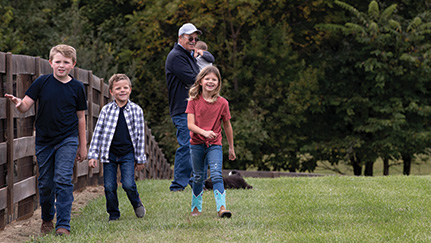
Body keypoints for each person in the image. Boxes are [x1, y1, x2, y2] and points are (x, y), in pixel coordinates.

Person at [4, 44, 87, 236]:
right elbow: (25, 105)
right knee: (46, 183)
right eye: (57, 61)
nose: (61, 65)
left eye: (66, 62)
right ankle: (47, 219)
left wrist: (83, 146)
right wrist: (18, 103)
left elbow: (81, 117)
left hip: (68, 139)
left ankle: (63, 225)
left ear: (73, 64)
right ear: (50, 63)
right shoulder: (42, 82)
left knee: (63, 179)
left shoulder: (77, 87)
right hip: (44, 141)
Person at [87, 74, 147, 221]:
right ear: (111, 92)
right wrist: (93, 154)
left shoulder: (136, 110)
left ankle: (136, 203)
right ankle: (113, 213)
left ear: (130, 90)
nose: (122, 90)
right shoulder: (106, 110)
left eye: (125, 88)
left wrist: (140, 159)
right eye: (118, 88)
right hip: (110, 154)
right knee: (109, 186)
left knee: (128, 184)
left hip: (128, 154)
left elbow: (140, 137)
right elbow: (98, 133)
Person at [186, 65, 236, 218]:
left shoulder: (223, 103)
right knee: (198, 176)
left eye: (214, 79)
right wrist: (204, 133)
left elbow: (227, 125)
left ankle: (222, 208)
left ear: (218, 83)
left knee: (216, 174)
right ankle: (196, 208)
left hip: (215, 145)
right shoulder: (193, 101)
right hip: (196, 144)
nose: (210, 82)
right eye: (207, 78)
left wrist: (231, 147)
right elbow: (190, 125)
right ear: (200, 81)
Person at [165, 23, 202, 191]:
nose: (193, 41)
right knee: (186, 145)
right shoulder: (176, 56)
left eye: (196, 38)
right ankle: (178, 185)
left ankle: (197, 182)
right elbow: (193, 79)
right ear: (180, 38)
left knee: (197, 145)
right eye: (190, 38)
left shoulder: (188, 56)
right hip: (182, 109)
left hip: (193, 108)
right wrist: (206, 78)